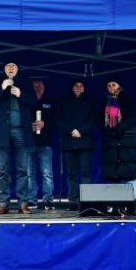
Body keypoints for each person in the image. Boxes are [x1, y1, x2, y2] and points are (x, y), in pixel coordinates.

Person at [0, 61, 38, 214]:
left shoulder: (25, 83)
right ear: (4, 69)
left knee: (22, 169)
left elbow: (34, 103)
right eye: (8, 66)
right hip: (2, 132)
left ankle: (23, 203)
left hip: (21, 131)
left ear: (17, 69)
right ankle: (3, 203)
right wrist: (2, 88)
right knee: (2, 170)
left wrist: (21, 95)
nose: (10, 68)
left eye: (13, 66)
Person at [100, 77, 136, 211]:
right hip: (111, 140)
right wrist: (108, 130)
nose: (111, 87)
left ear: (119, 86)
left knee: (130, 171)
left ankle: (135, 201)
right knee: (114, 173)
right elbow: (100, 120)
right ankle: (115, 203)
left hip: (125, 140)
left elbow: (132, 118)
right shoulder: (105, 102)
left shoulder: (126, 99)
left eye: (114, 84)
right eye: (109, 85)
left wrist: (118, 128)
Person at [57, 78, 95, 210]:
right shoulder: (64, 102)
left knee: (85, 172)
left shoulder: (90, 102)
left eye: (81, 86)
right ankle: (72, 200)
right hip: (69, 142)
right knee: (71, 173)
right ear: (72, 88)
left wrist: (81, 131)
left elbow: (92, 120)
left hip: (85, 142)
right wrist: (71, 130)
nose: (78, 88)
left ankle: (87, 201)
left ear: (84, 88)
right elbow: (59, 120)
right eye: (76, 86)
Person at [27, 77, 55, 209]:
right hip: (29, 143)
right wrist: (29, 125)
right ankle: (31, 199)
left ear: (44, 85)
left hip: (45, 143)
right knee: (29, 173)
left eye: (40, 83)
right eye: (35, 84)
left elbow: (57, 120)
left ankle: (48, 198)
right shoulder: (27, 100)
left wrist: (45, 123)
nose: (37, 86)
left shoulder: (50, 101)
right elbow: (20, 118)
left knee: (46, 173)